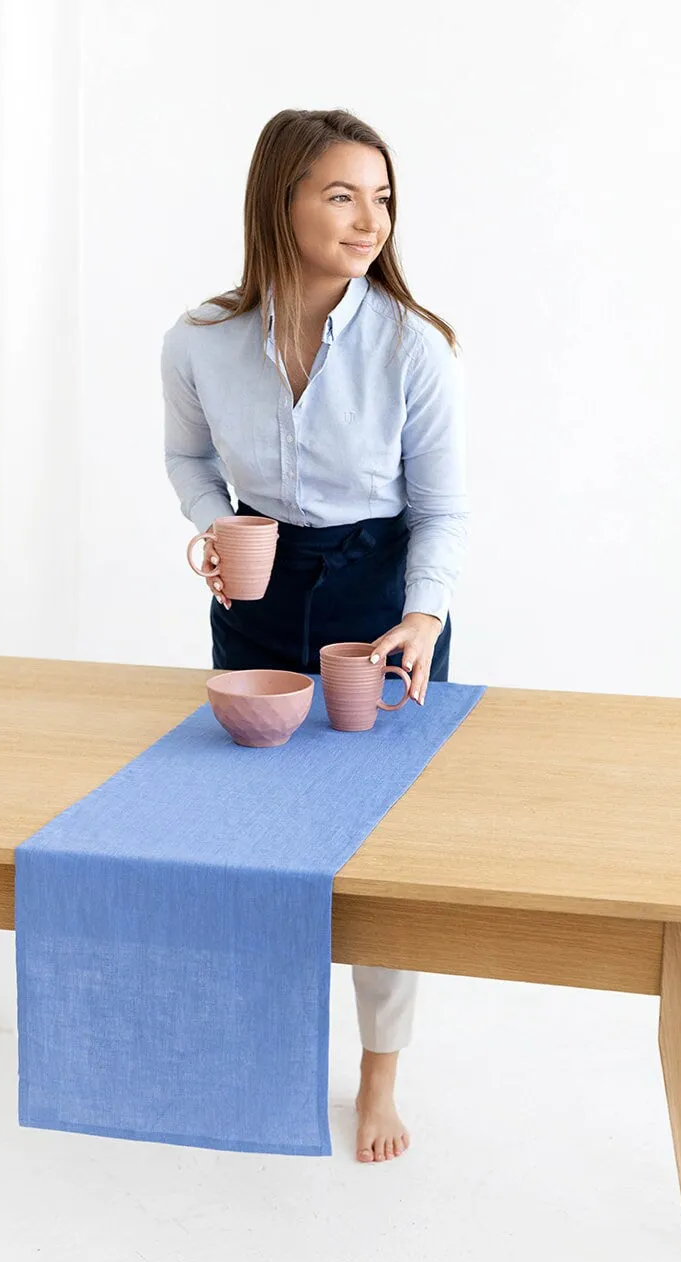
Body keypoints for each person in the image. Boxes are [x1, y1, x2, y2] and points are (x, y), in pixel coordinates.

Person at [160, 108, 469, 1165]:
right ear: (279, 201)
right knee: (250, 831)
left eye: (380, 197)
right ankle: (261, 1051)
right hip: (255, 585)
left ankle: (377, 1069)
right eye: (341, 194)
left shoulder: (409, 347)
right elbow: (189, 460)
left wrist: (420, 616)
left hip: (380, 593)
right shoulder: (197, 339)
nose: (368, 218)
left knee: (379, 847)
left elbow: (444, 507)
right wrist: (212, 529)